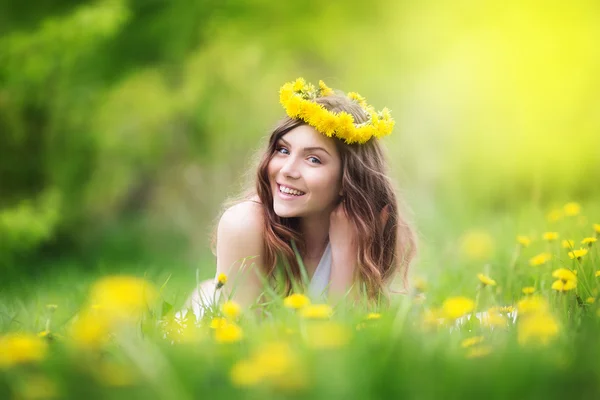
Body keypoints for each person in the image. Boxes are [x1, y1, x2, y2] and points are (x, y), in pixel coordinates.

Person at [186, 78, 417, 319]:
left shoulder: (357, 230)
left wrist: (345, 257)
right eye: (283, 150)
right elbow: (242, 340)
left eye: (313, 159)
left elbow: (351, 342)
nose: (287, 170)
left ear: (347, 179)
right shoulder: (243, 224)